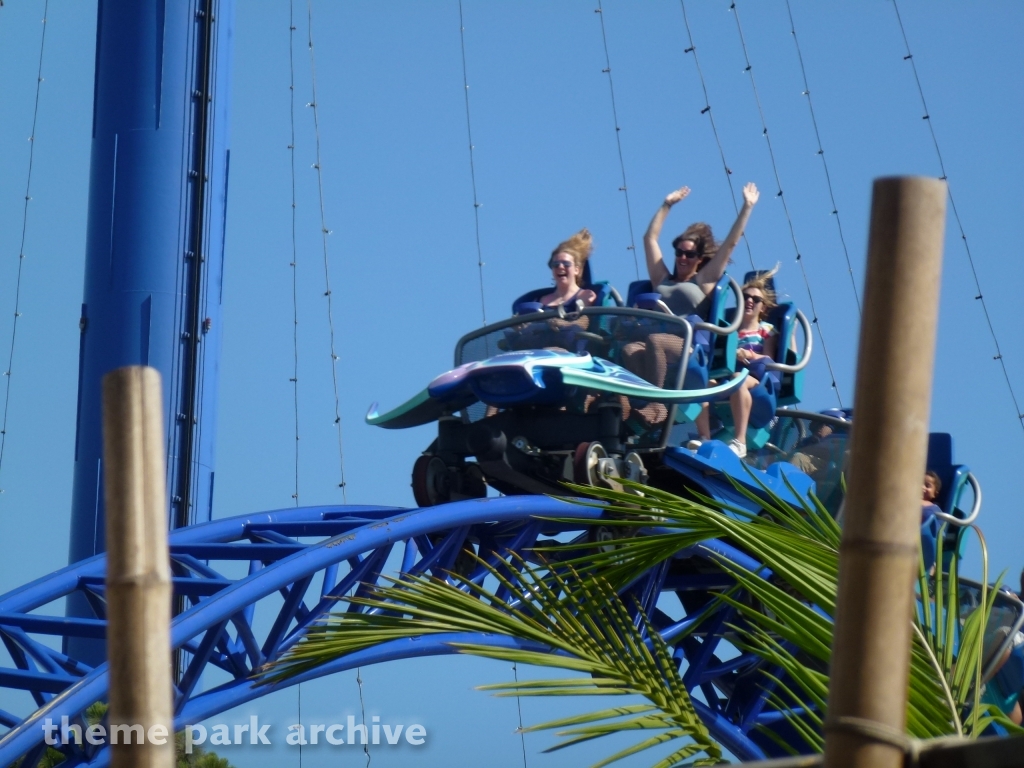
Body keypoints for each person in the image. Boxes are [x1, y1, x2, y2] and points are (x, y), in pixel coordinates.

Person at [621, 183, 759, 430]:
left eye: (690, 254)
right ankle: (635, 405)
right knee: (631, 349)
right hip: (657, 337)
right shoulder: (662, 279)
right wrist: (667, 204)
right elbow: (649, 238)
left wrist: (747, 207)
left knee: (655, 340)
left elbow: (730, 245)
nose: (683, 258)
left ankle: (658, 405)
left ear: (700, 258)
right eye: (679, 252)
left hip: (688, 344)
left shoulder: (703, 281)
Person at [717, 271, 779, 457]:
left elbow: (769, 359)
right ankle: (703, 435)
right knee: (704, 384)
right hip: (727, 376)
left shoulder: (766, 330)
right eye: (746, 297)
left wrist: (748, 354)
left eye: (756, 299)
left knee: (738, 379)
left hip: (755, 378)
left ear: (763, 307)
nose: (750, 301)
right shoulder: (730, 328)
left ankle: (740, 441)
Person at [539, 228, 597, 308]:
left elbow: (583, 320)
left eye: (566, 264)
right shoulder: (544, 300)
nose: (560, 267)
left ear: (577, 270)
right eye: (556, 264)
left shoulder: (585, 296)